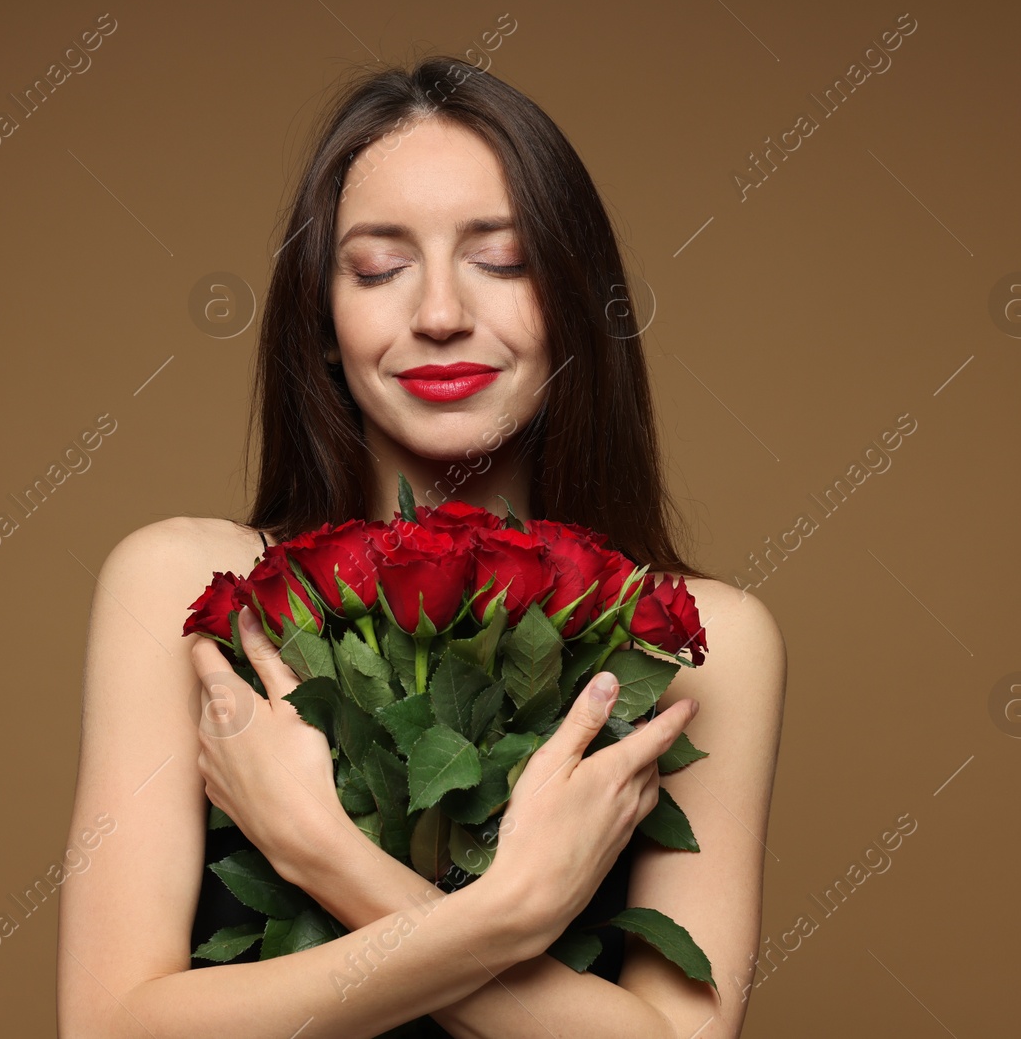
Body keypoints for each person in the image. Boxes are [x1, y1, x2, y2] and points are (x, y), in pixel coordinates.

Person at [57, 55, 786, 1039]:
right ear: (322, 319)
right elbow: (109, 1028)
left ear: (575, 300)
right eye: (377, 267)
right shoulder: (180, 584)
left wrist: (324, 850)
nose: (440, 314)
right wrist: (503, 919)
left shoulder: (708, 640)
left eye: (502, 259)